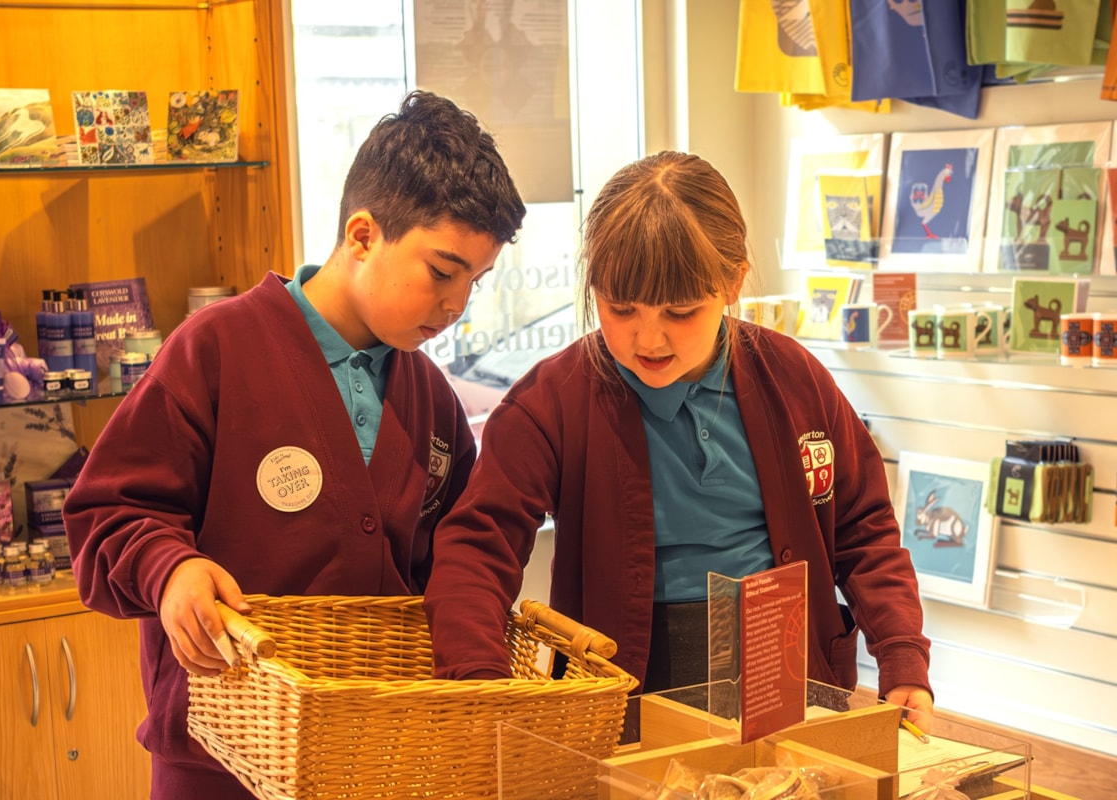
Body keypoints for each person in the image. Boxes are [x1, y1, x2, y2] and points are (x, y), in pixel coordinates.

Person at [62, 89, 525, 799]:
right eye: (441, 272)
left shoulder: (431, 397)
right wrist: (170, 570)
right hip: (217, 760)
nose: (458, 306)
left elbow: (457, 562)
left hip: (378, 761)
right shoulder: (215, 351)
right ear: (363, 234)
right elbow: (107, 514)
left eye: (476, 281)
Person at [423, 150, 934, 730]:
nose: (649, 338)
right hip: (629, 688)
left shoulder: (794, 378)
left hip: (790, 676)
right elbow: (476, 552)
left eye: (681, 311)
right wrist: (479, 681)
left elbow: (862, 528)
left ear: (733, 283)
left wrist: (902, 655)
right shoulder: (551, 402)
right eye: (621, 309)